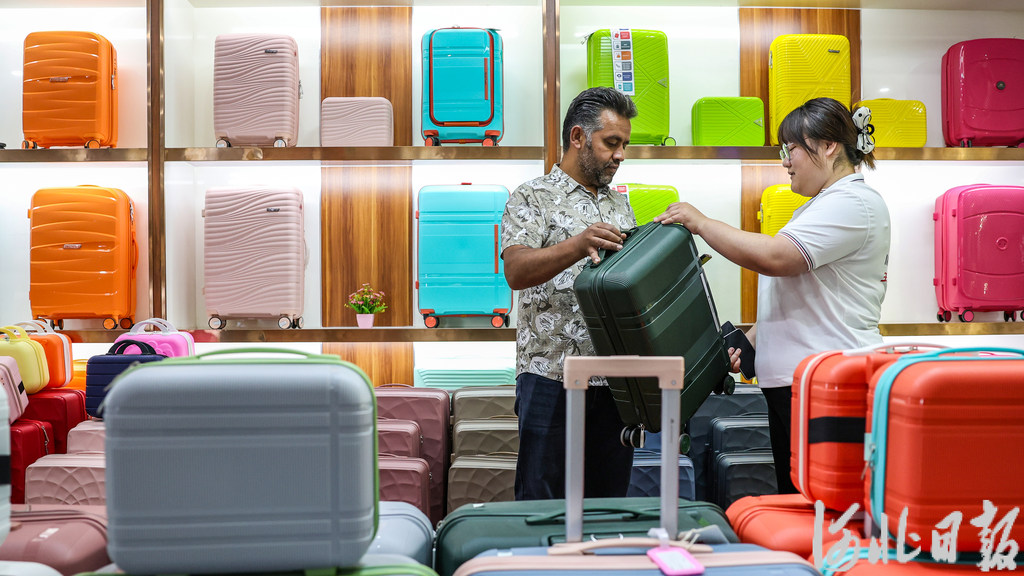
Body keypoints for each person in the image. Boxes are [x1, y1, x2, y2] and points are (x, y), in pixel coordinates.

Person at [653, 97, 890, 494]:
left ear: (828, 145)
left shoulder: (853, 202)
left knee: (820, 501)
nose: (784, 161)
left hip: (829, 382)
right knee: (799, 498)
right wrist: (749, 342)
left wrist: (702, 223)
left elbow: (778, 257)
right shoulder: (821, 206)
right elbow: (800, 295)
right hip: (802, 382)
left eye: (790, 149)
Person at [499, 86, 638, 500]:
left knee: (607, 503)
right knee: (540, 501)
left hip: (614, 382)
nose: (620, 155)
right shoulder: (531, 196)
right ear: (578, 137)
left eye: (624, 145)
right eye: (611, 143)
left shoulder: (620, 205)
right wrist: (578, 244)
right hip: (548, 377)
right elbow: (516, 271)